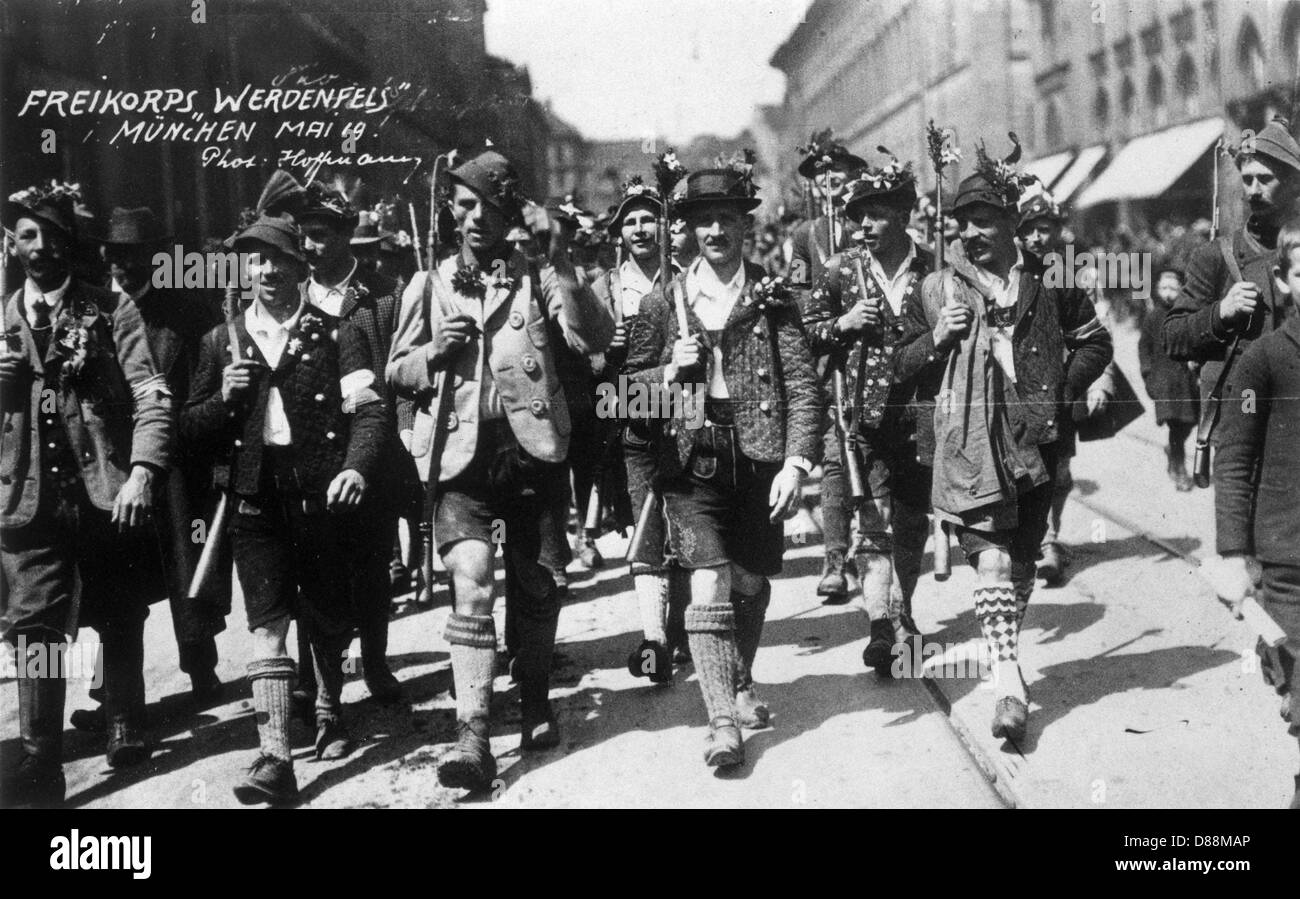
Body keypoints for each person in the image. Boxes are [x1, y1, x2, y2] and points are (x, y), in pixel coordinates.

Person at [386, 149, 613, 791]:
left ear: (508, 213)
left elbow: (593, 336)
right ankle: (474, 730)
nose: (474, 218)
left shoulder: (534, 277)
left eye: (488, 206)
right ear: (450, 213)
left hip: (532, 450)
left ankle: (535, 696)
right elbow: (394, 370)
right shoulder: (426, 285)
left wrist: (560, 261)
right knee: (472, 577)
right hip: (461, 456)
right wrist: (432, 354)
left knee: (538, 582)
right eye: (463, 205)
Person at [894, 139, 1112, 744]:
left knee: (1017, 563)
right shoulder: (936, 290)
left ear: (1013, 223)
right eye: (961, 224)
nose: (970, 233)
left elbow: (1097, 343)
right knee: (988, 557)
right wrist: (936, 338)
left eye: (983, 220)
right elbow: (899, 363)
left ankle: (1003, 654)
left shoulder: (1051, 283)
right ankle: (1009, 682)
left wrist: (1058, 392)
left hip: (1036, 441)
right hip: (968, 444)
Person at [182, 213, 388, 804]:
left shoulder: (335, 331)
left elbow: (369, 411)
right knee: (268, 623)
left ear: (302, 266)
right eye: (256, 260)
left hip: (322, 495)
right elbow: (190, 430)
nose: (268, 271)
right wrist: (223, 398)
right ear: (244, 269)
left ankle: (328, 709)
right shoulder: (220, 342)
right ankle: (275, 756)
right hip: (256, 500)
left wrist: (355, 466)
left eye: (279, 259)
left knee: (325, 611)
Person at [628, 162, 821, 767]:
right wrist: (667, 371)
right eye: (702, 220)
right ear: (685, 229)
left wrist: (796, 462)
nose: (715, 230)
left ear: (744, 226)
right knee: (707, 578)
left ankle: (739, 679)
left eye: (727, 219)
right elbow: (623, 399)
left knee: (751, 580)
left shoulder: (770, 294)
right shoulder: (666, 301)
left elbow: (803, 386)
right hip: (691, 461)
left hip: (760, 457)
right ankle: (720, 723)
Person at [1, 183, 173, 806]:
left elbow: (153, 395)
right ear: (11, 244)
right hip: (26, 499)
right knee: (33, 628)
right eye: (27, 236)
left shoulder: (112, 310)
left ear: (72, 243)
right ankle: (40, 758)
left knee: (118, 607)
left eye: (53, 236)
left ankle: (125, 718)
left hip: (104, 489)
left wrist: (143, 470)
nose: (42, 249)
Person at [801, 152, 934, 672]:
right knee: (874, 519)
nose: (864, 226)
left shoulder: (933, 267)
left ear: (903, 215)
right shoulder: (841, 270)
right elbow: (805, 330)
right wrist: (844, 323)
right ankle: (884, 621)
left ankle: (903, 609)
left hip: (922, 413)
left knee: (912, 520)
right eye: (858, 217)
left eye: (876, 215)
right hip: (863, 413)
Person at [95, 205, 227, 708]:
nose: (123, 267)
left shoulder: (187, 312)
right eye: (115, 256)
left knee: (182, 559)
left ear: (156, 258)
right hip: (112, 457)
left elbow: (203, 384)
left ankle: (202, 669)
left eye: (134, 257)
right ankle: (113, 692)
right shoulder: (98, 311)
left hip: (176, 458)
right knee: (117, 569)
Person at [299, 182, 412, 706]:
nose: (309, 245)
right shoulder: (292, 296)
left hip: (374, 447)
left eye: (320, 235)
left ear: (347, 235)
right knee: (316, 571)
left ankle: (376, 662)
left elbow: (401, 373)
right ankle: (318, 683)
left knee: (371, 564)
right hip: (309, 454)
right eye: (303, 235)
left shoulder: (384, 294)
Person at [1213, 221, 1300, 809]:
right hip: (1288, 560)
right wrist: (1231, 554)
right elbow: (1236, 459)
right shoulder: (1262, 362)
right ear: (1287, 280)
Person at [593, 177, 686, 682]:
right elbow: (578, 352)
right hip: (627, 412)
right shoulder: (604, 287)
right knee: (645, 521)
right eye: (630, 220)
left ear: (667, 225)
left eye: (649, 217)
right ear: (618, 233)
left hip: (687, 415)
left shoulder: (687, 280)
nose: (641, 227)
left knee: (687, 521)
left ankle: (684, 629)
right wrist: (607, 346)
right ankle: (654, 640)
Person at [1164, 117, 1300, 436]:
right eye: (1247, 178)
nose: (1253, 190)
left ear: (1294, 182)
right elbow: (1172, 337)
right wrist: (1220, 314)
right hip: (1242, 419)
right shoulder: (1216, 255)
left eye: (1264, 179)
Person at [1014, 192, 1118, 584]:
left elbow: (1099, 330)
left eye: (1046, 229)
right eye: (1030, 230)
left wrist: (1097, 382)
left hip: (1060, 386)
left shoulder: (1076, 272)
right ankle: (1023, 539)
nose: (1039, 238)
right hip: (1014, 388)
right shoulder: (1009, 272)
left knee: (1058, 469)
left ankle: (1049, 540)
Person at [791, 130, 867, 603]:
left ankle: (877, 544)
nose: (831, 183)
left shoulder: (869, 223)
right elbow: (799, 296)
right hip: (827, 354)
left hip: (873, 350)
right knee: (837, 454)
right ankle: (835, 558)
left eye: (838, 174)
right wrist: (836, 323)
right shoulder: (804, 237)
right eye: (823, 177)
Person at [1138, 266, 1199, 491]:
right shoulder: (1153, 317)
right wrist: (1147, 374)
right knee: (1176, 424)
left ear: (1181, 290)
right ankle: (1179, 470)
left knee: (1189, 422)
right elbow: (1144, 347)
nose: (1167, 293)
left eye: (1173, 288)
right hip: (1163, 381)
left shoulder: (1186, 314)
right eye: (1163, 288)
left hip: (1184, 381)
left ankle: (1173, 450)